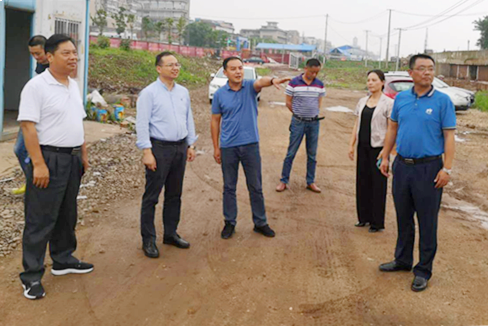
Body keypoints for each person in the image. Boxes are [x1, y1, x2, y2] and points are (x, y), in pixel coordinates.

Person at [18, 34, 93, 300]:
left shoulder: (72, 85)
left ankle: (62, 260)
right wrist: (38, 164)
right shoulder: (37, 86)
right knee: (40, 219)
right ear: (50, 56)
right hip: (49, 159)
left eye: (75, 52)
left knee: (66, 213)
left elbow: (77, 121)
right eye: (66, 53)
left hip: (72, 159)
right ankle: (31, 276)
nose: (73, 57)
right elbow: (27, 126)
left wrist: (82, 154)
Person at [378, 54, 456, 292]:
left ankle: (423, 270)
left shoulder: (443, 101)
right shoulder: (400, 98)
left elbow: (449, 135)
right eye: (421, 69)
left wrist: (447, 168)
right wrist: (385, 155)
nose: (427, 73)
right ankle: (402, 260)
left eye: (431, 69)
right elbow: (393, 128)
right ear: (410, 73)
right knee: (403, 217)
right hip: (402, 166)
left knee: (427, 221)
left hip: (429, 168)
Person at [211, 56, 290, 239]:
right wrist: (216, 147)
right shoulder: (220, 95)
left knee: (255, 186)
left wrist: (272, 80)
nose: (238, 71)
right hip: (228, 146)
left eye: (240, 68)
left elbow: (260, 82)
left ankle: (260, 222)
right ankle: (229, 222)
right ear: (225, 73)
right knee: (229, 187)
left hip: (250, 146)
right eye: (233, 69)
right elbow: (215, 121)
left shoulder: (249, 87)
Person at [136, 51, 197, 258]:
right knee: (152, 196)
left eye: (177, 64)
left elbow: (188, 118)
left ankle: (170, 233)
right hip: (159, 148)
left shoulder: (183, 92)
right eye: (170, 65)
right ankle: (148, 239)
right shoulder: (149, 93)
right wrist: (147, 152)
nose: (175, 68)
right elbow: (142, 123)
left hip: (180, 147)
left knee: (174, 194)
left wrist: (191, 144)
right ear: (158, 68)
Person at [348, 70, 393, 233]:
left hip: (379, 149)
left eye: (374, 80)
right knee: (362, 181)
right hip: (363, 147)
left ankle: (377, 222)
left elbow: (391, 129)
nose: (370, 83)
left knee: (378, 185)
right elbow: (356, 124)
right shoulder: (362, 101)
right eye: (368, 80)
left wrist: (387, 152)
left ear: (382, 82)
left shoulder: (388, 103)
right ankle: (363, 217)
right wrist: (351, 145)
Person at [276, 58, 326, 193]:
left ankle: (310, 181)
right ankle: (283, 180)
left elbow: (318, 103)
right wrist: (298, 114)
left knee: (312, 154)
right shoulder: (293, 83)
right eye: (312, 72)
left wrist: (311, 114)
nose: (314, 75)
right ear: (306, 69)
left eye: (317, 72)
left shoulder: (320, 85)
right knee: (291, 152)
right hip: (298, 122)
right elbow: (288, 102)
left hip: (314, 123)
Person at [12, 35, 50, 195]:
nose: (36, 57)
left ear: (47, 51)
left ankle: (38, 183)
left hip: (47, 116)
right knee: (20, 149)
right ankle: (31, 180)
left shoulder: (57, 66)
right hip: (33, 114)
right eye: (32, 54)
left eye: (38, 53)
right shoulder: (41, 65)